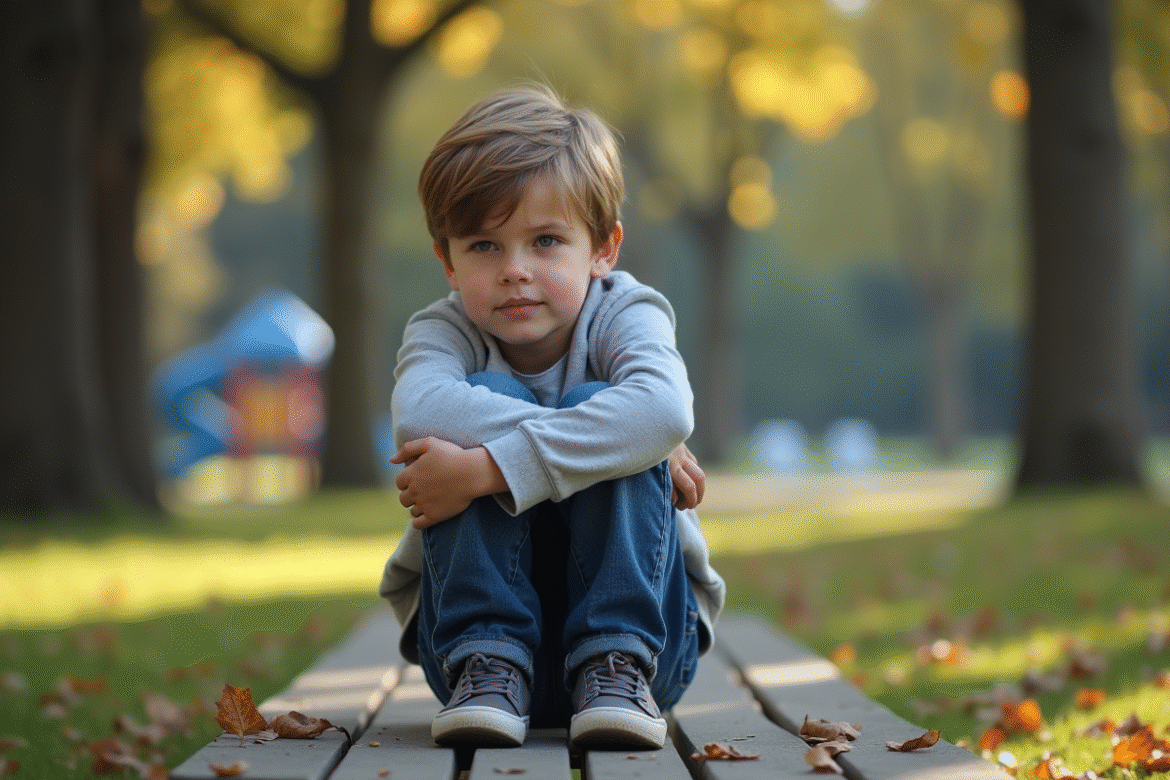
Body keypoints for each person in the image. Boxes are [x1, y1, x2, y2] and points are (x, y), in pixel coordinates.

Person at [378, 84, 725, 751]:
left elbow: (662, 409)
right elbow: (419, 413)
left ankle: (610, 657)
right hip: (468, 662)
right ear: (445, 260)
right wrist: (631, 438)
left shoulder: (627, 314)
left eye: (544, 241)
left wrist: (486, 469)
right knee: (602, 419)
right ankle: (491, 655)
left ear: (603, 248)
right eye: (483, 246)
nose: (514, 271)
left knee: (607, 406)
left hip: (645, 657)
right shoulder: (441, 333)